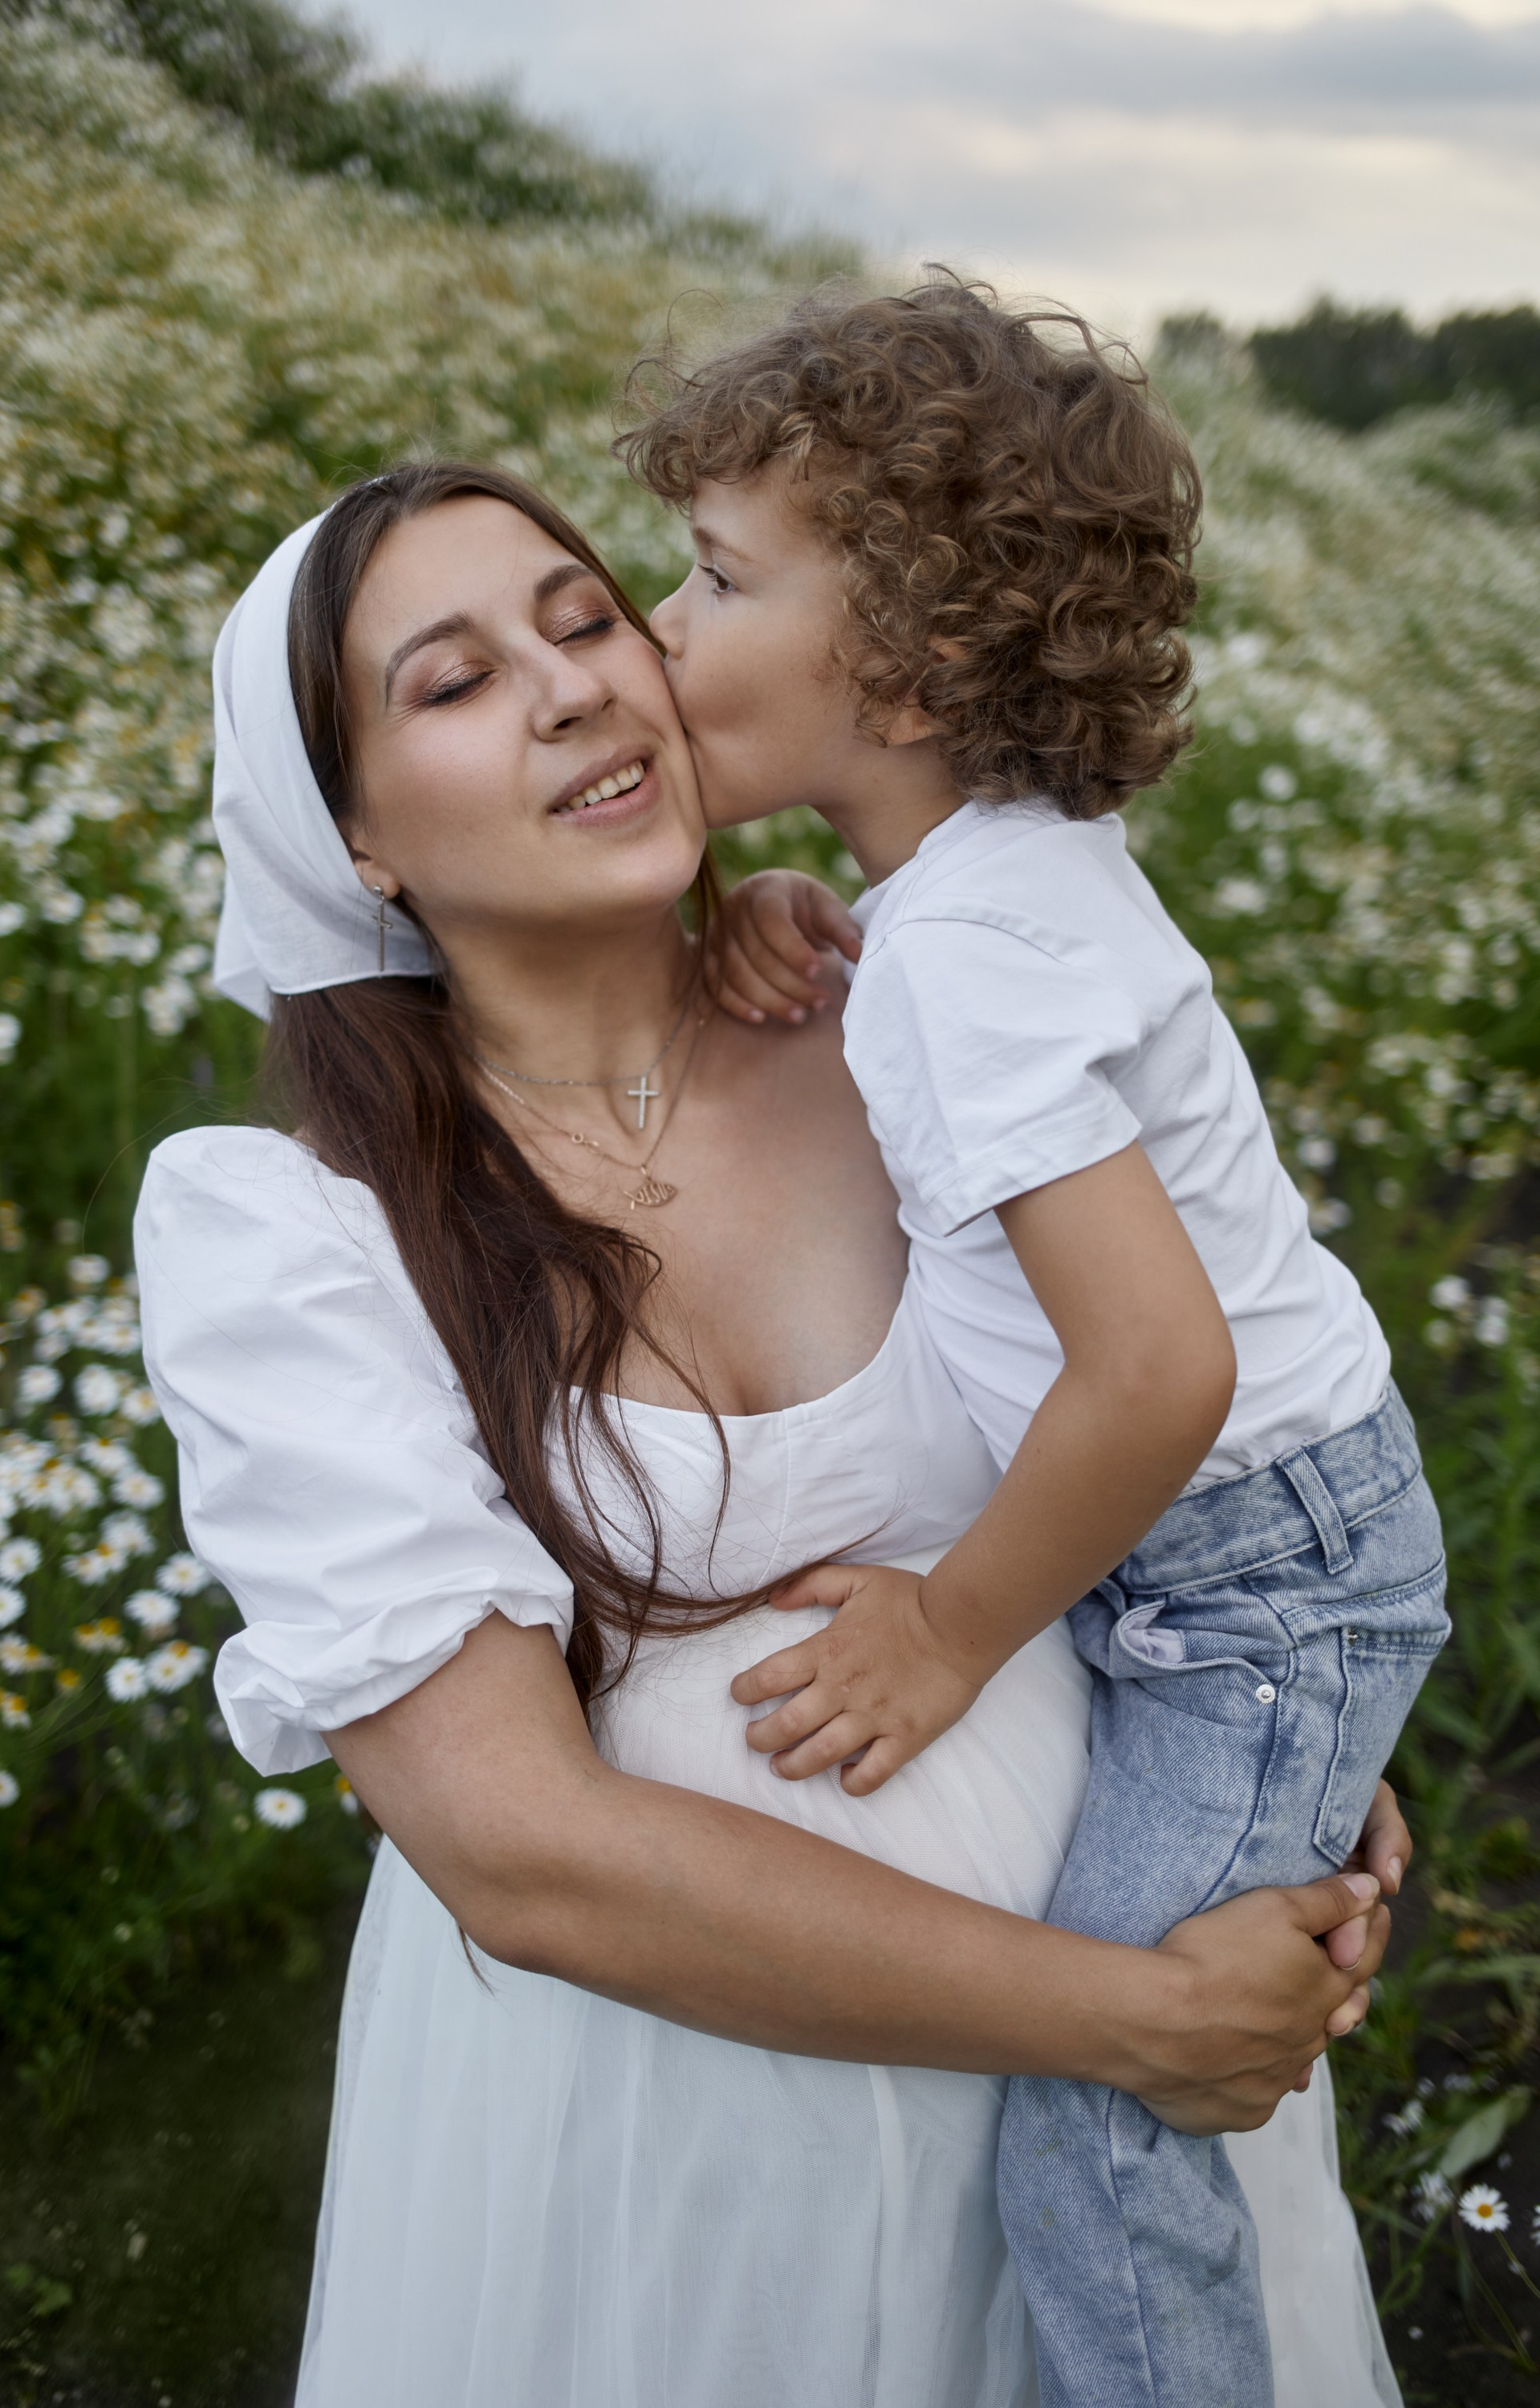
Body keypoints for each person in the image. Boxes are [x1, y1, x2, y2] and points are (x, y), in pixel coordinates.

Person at [135, 461, 1404, 2408]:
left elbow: (1188, 1416)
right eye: (451, 683)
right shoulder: (292, 1232)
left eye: (584, 619)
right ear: (355, 837)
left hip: (1127, 1935)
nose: (569, 687)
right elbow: (518, 1850)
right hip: (678, 2105)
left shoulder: (919, 1018)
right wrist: (1129, 2017)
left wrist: (1279, 1745)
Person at [625, 277, 1446, 2408]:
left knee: (1109, 2124)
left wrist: (952, 1635)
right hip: (1264, 1556)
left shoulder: (968, 957)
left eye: (715, 576)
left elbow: (1156, 1374)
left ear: (922, 660)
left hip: (1242, 1570)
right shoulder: (976, 898)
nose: (661, 621)